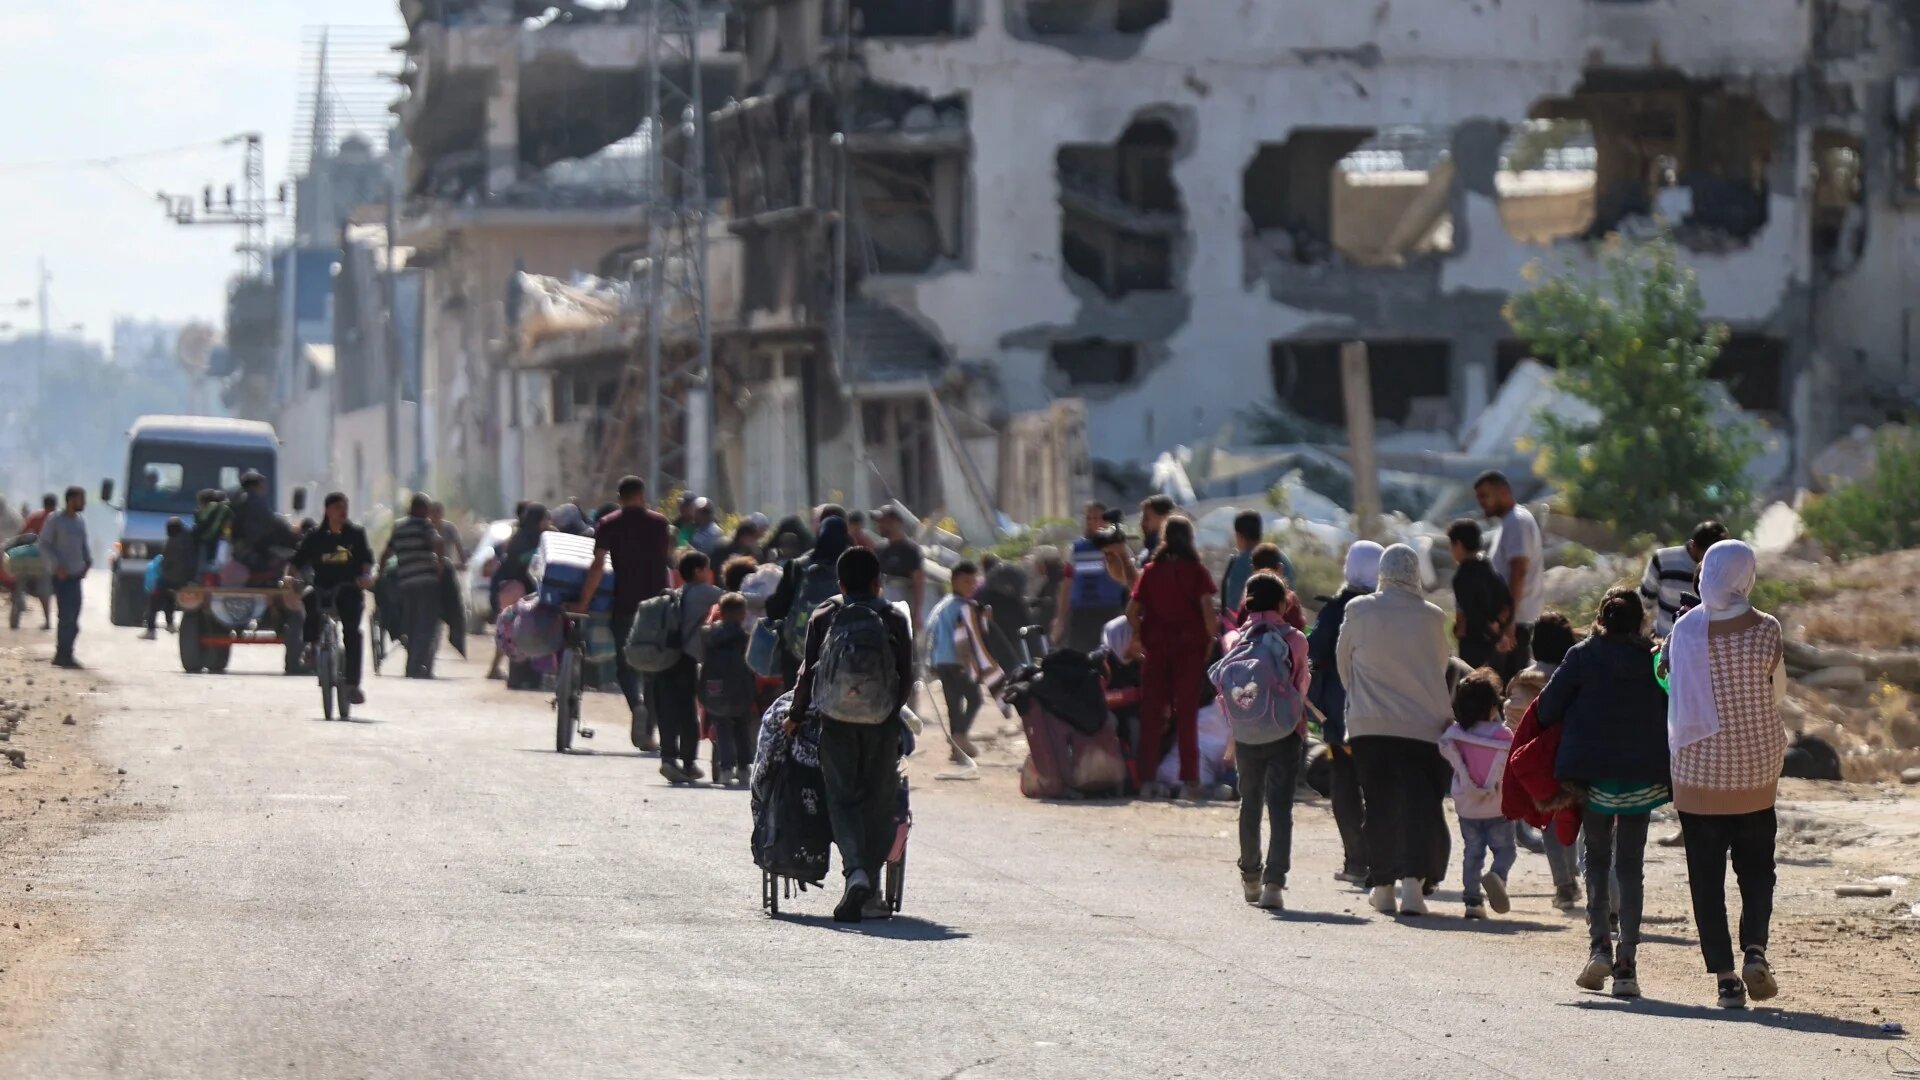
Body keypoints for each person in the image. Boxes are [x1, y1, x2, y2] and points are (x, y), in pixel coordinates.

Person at [1666, 540, 1787, 1010]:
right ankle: (1755, 948)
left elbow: (1667, 679)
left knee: (1706, 878)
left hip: (1697, 776)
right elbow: (1777, 694)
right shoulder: (1766, 630)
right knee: (1757, 871)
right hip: (1755, 771)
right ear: (1746, 577)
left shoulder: (1684, 631)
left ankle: (1726, 979)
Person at [1537, 589, 1672, 1000]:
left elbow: (1546, 709)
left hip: (1592, 778)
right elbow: (1672, 702)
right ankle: (1627, 965)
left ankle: (1599, 948)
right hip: (1641, 777)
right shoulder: (1652, 658)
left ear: (1599, 618)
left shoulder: (1581, 655)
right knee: (1630, 867)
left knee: (1595, 860)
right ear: (1639, 622)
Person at [789, 547, 914, 923]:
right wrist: (889, 713)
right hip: (881, 722)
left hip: (836, 720)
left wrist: (795, 716)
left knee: (841, 798)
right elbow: (905, 676)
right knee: (878, 800)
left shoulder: (826, 613)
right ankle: (872, 886)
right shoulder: (893, 617)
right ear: (879, 581)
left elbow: (808, 673)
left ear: (840, 582)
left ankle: (854, 871)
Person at [1336, 543, 1453, 916]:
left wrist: (1363, 698)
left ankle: (1383, 887)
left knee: (1380, 803)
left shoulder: (1358, 609)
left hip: (1370, 726)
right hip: (1423, 725)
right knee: (1420, 805)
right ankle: (1414, 888)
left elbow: (1344, 663)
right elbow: (1441, 663)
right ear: (1416, 574)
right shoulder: (1433, 617)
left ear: (1382, 574)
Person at [1218, 572, 1312, 910]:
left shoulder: (1234, 642)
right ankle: (1275, 883)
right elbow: (1301, 685)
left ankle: (1251, 876)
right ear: (1283, 603)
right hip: (1285, 732)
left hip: (1245, 733)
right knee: (1281, 808)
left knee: (1250, 803)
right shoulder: (1295, 640)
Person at [1126, 515, 1218, 800]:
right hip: (1189, 650)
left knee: (1152, 715)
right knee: (1187, 715)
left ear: (1164, 538)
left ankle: (1146, 781)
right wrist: (1210, 642)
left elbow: (1131, 612)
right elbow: (1208, 613)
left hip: (1157, 650)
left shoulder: (1151, 571)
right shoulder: (1198, 572)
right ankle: (1191, 781)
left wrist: (1140, 635)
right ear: (1190, 539)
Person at [1307, 540, 1382, 886]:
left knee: (1346, 785)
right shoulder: (1386, 608)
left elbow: (1315, 648)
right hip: (1383, 714)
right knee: (1379, 786)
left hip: (1342, 715)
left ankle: (1356, 862)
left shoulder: (1337, 609)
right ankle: (1384, 861)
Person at [578, 477, 673, 750]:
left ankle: (637, 705)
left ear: (619, 497)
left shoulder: (609, 524)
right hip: (657, 604)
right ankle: (649, 731)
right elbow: (666, 560)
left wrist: (584, 601)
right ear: (643, 495)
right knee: (654, 667)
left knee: (625, 664)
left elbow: (597, 567)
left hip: (624, 603)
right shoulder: (660, 524)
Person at [1503, 611, 1583, 908]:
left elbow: (1511, 725)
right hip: (1569, 758)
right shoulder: (1569, 676)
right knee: (1574, 820)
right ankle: (1583, 876)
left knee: (1549, 822)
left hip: (1533, 765)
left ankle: (1564, 885)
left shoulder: (1519, 681)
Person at [1438, 668, 1516, 919]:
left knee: (1473, 852)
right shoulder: (1503, 736)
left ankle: (1472, 901)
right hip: (1497, 806)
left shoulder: (1455, 735)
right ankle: (1497, 877)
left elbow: (1446, 751)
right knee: (1505, 851)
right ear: (1493, 705)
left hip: (1467, 806)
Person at [287, 493, 377, 706]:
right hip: (322, 588)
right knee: (309, 597)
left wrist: (365, 576)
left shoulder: (356, 534)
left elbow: (366, 561)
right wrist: (289, 577)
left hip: (349, 589)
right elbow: (296, 562)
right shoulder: (315, 537)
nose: (343, 511)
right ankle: (311, 645)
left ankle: (353, 685)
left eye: (345, 506)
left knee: (353, 633)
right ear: (328, 510)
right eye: (338, 507)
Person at [655, 550, 723, 784]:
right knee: (687, 711)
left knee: (668, 709)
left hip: (666, 658)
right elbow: (735, 600)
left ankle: (668, 758)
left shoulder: (677, 593)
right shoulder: (705, 592)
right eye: (707, 568)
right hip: (688, 660)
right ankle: (688, 762)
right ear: (698, 571)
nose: (709, 572)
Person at [765, 515, 854, 689]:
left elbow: (776, 608)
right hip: (844, 654)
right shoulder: (854, 566)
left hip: (799, 653)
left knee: (795, 698)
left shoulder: (799, 566)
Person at [1474, 470, 1542, 676]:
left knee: (1512, 691)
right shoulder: (1508, 523)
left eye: (1484, 496)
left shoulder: (1517, 521)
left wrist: (1509, 620)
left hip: (1516, 626)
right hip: (1511, 623)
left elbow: (1518, 571)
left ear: (1503, 492)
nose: (1481, 503)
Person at [927, 561, 995, 761]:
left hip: (941, 660)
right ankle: (960, 736)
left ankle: (957, 748)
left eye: (974, 582)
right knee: (975, 699)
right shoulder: (965, 607)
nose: (971, 585)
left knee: (953, 704)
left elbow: (931, 629)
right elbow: (968, 636)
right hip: (958, 661)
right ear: (954, 581)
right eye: (966, 581)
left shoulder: (943, 604)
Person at [381, 493, 446, 679]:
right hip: (426, 582)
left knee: (411, 624)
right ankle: (417, 667)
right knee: (426, 625)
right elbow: (439, 542)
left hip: (406, 583)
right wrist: (440, 566)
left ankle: (412, 665)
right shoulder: (425, 525)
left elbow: (386, 552)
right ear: (422, 509)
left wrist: (380, 574)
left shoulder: (399, 527)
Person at [1054, 502, 1130, 654]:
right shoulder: (1076, 549)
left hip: (1109, 611)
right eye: (1088, 518)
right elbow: (1067, 584)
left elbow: (1128, 579)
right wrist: (1060, 618)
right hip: (1081, 614)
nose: (1091, 522)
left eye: (1096, 518)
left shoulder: (1118, 548)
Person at [491, 503, 551, 685]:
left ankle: (516, 678)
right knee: (532, 634)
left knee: (518, 634)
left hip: (518, 597)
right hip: (531, 595)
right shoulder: (538, 540)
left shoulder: (517, 536)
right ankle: (531, 679)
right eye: (546, 519)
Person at [1639, 520, 1730, 639]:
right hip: (1662, 642)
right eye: (1708, 554)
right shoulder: (1663, 560)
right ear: (1693, 546)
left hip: (1700, 649)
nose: (1713, 561)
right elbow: (1644, 602)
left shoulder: (1724, 569)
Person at [700, 593, 756, 786]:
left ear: (720, 613)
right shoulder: (747, 637)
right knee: (742, 728)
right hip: (741, 688)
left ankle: (725, 768)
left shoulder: (708, 635)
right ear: (743, 614)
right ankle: (744, 768)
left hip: (714, 687)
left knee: (722, 727)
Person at [1447, 518, 1513, 670]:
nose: (1451, 551)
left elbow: (1471, 613)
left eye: (1451, 545)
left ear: (1459, 544)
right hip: (1497, 647)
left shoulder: (1462, 576)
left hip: (1475, 647)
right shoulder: (1489, 568)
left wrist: (1460, 629)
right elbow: (1508, 603)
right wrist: (1499, 629)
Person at [40, 487, 91, 669]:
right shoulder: (55, 520)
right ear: (71, 500)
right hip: (61, 576)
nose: (83, 503)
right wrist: (56, 565)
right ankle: (62, 655)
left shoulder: (79, 522)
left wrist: (88, 561)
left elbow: (84, 545)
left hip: (76, 576)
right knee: (66, 616)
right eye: (81, 499)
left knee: (74, 618)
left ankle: (67, 653)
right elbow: (44, 545)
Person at [143, 516, 197, 639]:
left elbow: (165, 563)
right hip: (187, 579)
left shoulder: (172, 542)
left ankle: (151, 630)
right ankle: (170, 624)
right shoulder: (190, 538)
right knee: (169, 597)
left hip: (172, 578)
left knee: (155, 598)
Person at [875, 506, 926, 632]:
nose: (879, 525)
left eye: (883, 522)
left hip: (904, 606)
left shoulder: (910, 550)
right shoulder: (879, 550)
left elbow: (918, 582)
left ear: (895, 523)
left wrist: (917, 613)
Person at [1243, 543, 1305, 630]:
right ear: (1280, 568)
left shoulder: (1248, 599)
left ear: (1253, 569)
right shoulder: (1290, 600)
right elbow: (1299, 627)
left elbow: (1240, 625)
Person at [1219, 510, 1265, 613]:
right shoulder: (1282, 560)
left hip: (1247, 626)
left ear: (1238, 536)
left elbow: (1232, 605)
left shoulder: (1237, 564)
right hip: (1281, 627)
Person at [1137, 494, 1175, 566]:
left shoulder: (1174, 553)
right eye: (1142, 518)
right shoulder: (1146, 552)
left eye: (1146, 518)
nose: (1142, 523)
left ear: (1165, 518)